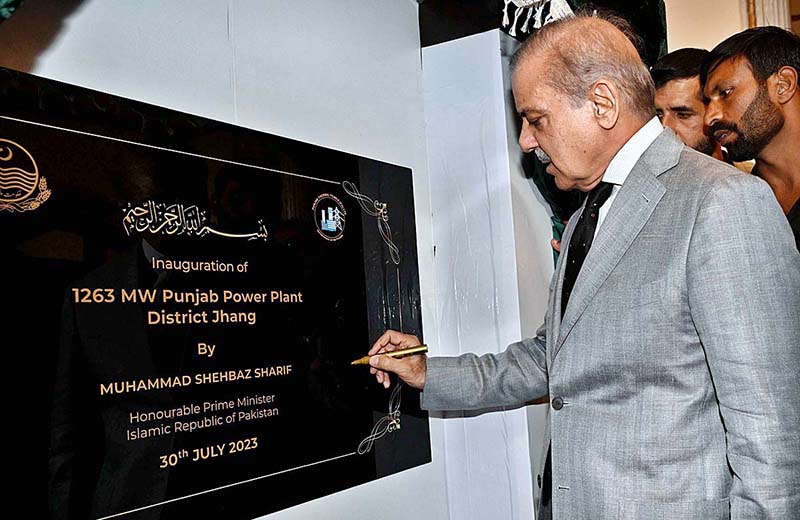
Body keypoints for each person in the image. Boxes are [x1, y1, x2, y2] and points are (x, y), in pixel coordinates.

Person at [367, 11, 800, 520]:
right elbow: (551, 359)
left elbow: (770, 442)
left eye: (535, 118)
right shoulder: (583, 219)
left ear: (602, 104)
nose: (527, 140)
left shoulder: (723, 202)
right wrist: (427, 372)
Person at [702, 26, 800, 249]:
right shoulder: (738, 201)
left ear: (783, 85)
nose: (709, 118)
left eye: (725, 93)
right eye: (707, 102)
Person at [650, 48, 727, 160]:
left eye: (682, 114)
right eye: (659, 115)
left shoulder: (749, 176)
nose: (665, 129)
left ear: (714, 115)